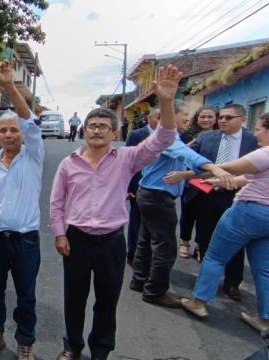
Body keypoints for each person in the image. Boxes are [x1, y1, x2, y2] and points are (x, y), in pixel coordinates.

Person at [50, 65, 231, 360]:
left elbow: (164, 138)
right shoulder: (69, 163)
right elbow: (56, 202)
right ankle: (71, 347)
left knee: (107, 303)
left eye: (103, 126)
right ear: (84, 129)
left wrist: (167, 102)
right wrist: (59, 234)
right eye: (92, 125)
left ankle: (100, 351)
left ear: (115, 132)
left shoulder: (127, 158)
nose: (97, 130)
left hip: (111, 242)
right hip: (77, 241)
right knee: (74, 299)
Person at [0, 60, 43, 360]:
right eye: (4, 130)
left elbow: (29, 121)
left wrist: (9, 87)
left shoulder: (34, 155)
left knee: (26, 296)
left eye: (14, 130)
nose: (10, 134)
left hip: (26, 241)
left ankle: (25, 343)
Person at [130, 101, 226, 309]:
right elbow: (187, 156)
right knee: (165, 247)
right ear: (171, 116)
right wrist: (216, 169)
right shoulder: (167, 138)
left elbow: (183, 151)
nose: (188, 118)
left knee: (146, 240)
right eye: (184, 114)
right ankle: (155, 291)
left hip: (150, 194)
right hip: (157, 197)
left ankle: (139, 280)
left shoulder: (170, 138)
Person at [181, 113, 269, 333]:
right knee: (264, 269)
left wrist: (194, 173)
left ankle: (199, 302)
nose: (255, 132)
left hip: (248, 211)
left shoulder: (265, 153)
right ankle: (265, 319)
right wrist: (218, 180)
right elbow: (249, 177)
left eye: (259, 128)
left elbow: (228, 168)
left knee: (214, 256)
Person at [177, 106, 218, 259]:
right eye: (202, 116)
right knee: (188, 212)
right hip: (190, 179)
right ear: (197, 118)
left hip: (212, 180)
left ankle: (200, 245)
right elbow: (179, 154)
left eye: (210, 117)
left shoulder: (221, 135)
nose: (206, 120)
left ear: (216, 118)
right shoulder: (187, 135)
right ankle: (184, 242)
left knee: (206, 216)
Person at [125, 108, 159, 265]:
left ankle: (149, 256)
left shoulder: (173, 135)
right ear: (148, 118)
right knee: (136, 222)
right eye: (158, 117)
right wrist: (130, 188)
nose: (161, 120)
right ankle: (132, 255)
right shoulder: (137, 135)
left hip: (160, 188)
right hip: (138, 186)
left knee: (154, 226)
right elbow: (128, 163)